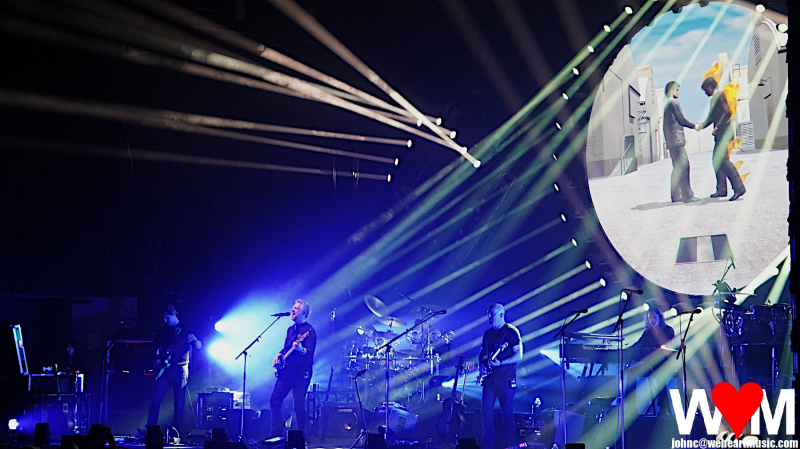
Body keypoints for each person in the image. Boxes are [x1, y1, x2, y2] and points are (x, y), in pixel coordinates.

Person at [146, 305, 202, 438]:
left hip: (180, 370)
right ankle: (150, 430)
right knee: (155, 400)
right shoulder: (163, 329)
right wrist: (158, 358)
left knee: (179, 403)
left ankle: (175, 432)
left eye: (167, 318)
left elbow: (199, 345)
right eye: (164, 318)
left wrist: (195, 340)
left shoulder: (186, 328)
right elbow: (154, 346)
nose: (165, 321)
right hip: (165, 370)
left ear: (174, 314)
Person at [269, 300, 317, 438]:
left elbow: (310, 353)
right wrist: (279, 354)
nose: (293, 310)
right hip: (286, 372)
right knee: (275, 399)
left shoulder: (309, 331)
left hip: (301, 373)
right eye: (293, 307)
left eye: (296, 308)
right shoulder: (290, 330)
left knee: (299, 406)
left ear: (304, 313)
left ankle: (301, 437)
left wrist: (301, 349)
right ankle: (276, 435)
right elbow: (286, 348)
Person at [478, 303, 523, 449]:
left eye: (492, 315)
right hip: (490, 379)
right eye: (488, 315)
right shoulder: (488, 333)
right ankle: (488, 445)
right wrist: (481, 365)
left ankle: (509, 444)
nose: (489, 318)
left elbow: (519, 355)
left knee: (507, 414)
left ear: (501, 315)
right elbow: (482, 352)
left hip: (506, 379)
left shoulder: (511, 332)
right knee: (485, 412)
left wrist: (501, 363)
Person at [696, 77, 746, 201]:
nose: (705, 92)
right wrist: (701, 126)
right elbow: (712, 117)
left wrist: (717, 127)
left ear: (710, 87)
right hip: (721, 134)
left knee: (722, 160)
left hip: (724, 133)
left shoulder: (719, 95)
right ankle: (722, 190)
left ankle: (739, 187)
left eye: (705, 90)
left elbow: (727, 112)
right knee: (717, 161)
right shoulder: (714, 99)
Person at [625, 307, 676, 416]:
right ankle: (630, 404)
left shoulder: (668, 330)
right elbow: (638, 346)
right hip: (648, 365)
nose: (651, 320)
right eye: (649, 318)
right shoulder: (647, 332)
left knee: (660, 376)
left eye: (654, 317)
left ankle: (663, 406)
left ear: (659, 318)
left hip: (663, 363)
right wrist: (625, 349)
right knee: (630, 374)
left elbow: (670, 347)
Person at [662, 81, 699, 203]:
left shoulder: (666, 105)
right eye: (677, 89)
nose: (678, 92)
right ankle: (688, 195)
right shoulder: (674, 103)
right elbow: (681, 119)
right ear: (671, 91)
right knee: (684, 166)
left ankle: (675, 195)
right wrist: (694, 126)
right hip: (677, 141)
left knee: (677, 168)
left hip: (671, 142)